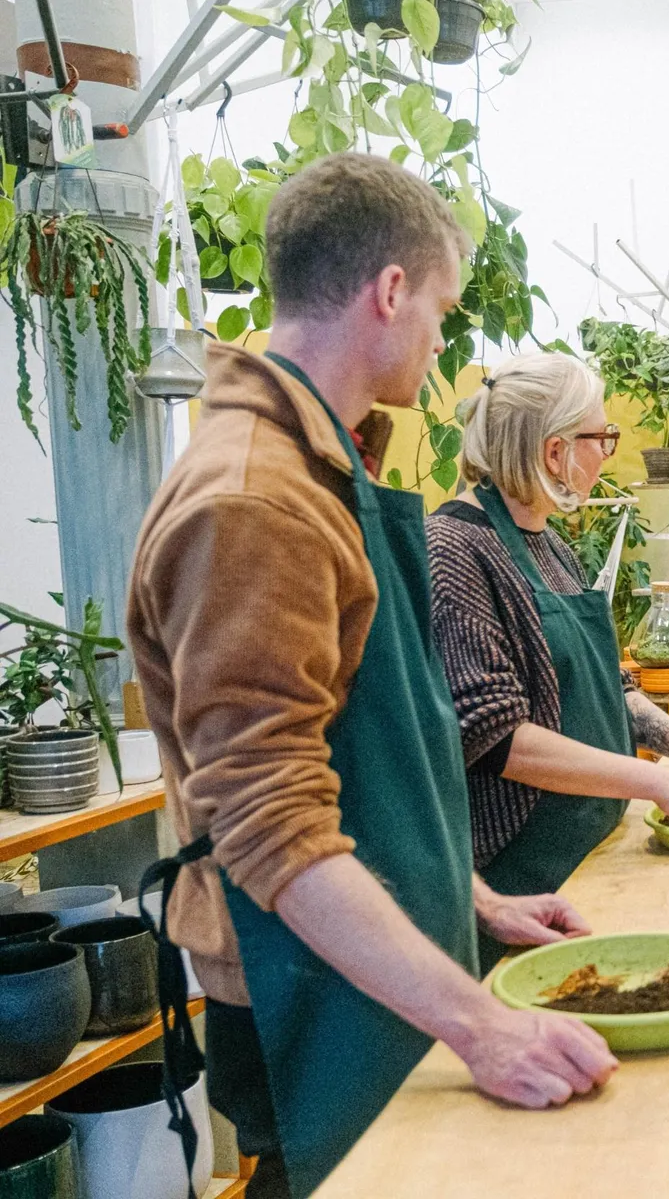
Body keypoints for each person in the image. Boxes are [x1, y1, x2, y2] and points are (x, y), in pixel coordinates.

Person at [128, 154, 615, 1199]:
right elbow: (271, 827)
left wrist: (468, 892)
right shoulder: (253, 499)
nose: (443, 343)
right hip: (306, 981)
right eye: (440, 308)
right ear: (390, 292)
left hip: (377, 959)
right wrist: (481, 1024)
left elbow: (357, 753)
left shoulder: (326, 469)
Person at [426, 352, 669, 972]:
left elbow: (609, 690)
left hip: (591, 849)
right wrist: (653, 783)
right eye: (601, 437)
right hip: (518, 880)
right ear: (554, 452)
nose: (609, 454)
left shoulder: (548, 543)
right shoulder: (455, 551)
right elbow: (495, 740)